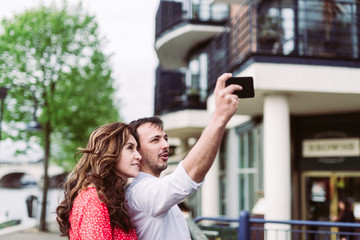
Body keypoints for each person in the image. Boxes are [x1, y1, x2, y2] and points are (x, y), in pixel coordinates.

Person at [125, 73, 242, 239]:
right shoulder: (139, 192)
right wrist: (219, 117)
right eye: (155, 140)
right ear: (137, 151)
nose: (165, 144)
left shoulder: (151, 187)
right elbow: (188, 175)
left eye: (165, 138)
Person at [56, 122, 142, 240]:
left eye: (137, 149)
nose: (138, 156)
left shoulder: (109, 197)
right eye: (130, 148)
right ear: (110, 151)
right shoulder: (94, 200)